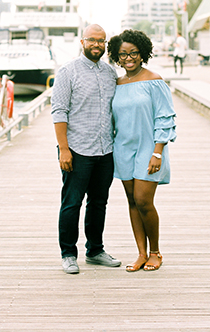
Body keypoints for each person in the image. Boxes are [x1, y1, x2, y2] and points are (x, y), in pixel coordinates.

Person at [51, 24, 121, 274]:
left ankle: (95, 250)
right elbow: (59, 110)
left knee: (99, 202)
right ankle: (68, 253)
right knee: (71, 203)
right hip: (77, 149)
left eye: (101, 41)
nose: (97, 45)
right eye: (92, 40)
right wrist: (64, 149)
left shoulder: (109, 72)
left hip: (105, 150)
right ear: (82, 42)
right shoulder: (68, 72)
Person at [107, 29, 177, 272]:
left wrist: (158, 151)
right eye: (123, 54)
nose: (128, 58)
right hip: (123, 149)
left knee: (143, 200)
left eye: (134, 53)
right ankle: (141, 253)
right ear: (116, 57)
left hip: (149, 149)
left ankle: (156, 251)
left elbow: (165, 118)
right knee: (131, 201)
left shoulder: (154, 81)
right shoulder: (116, 83)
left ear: (143, 53)